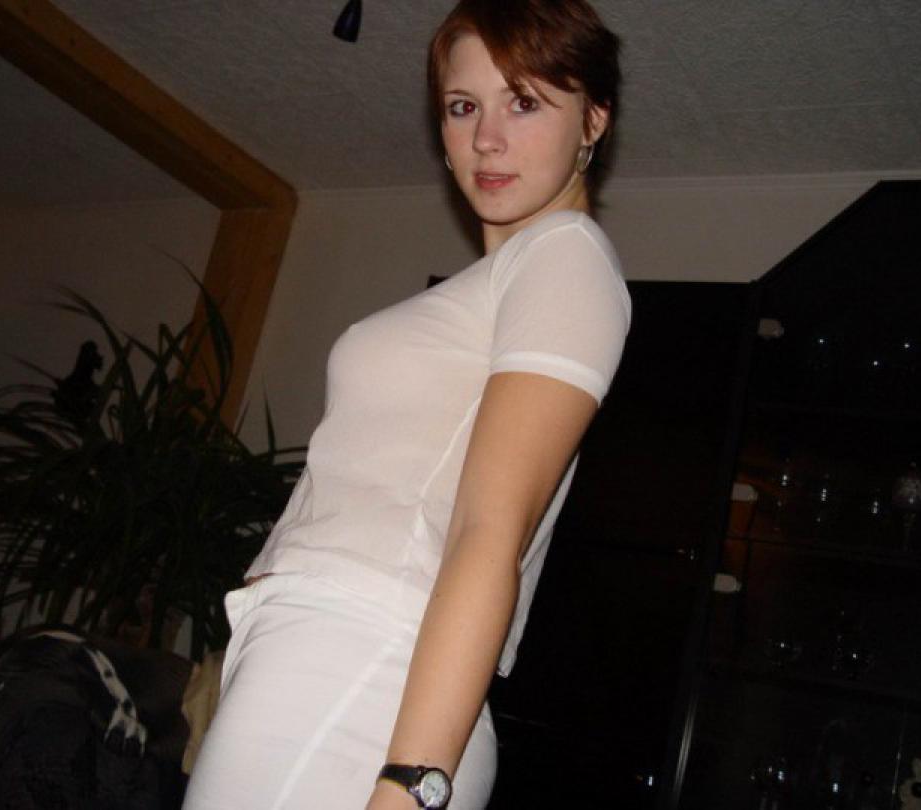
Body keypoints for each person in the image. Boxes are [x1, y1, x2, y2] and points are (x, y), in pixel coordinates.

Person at [183, 1, 629, 808]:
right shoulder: (506, 277)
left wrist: (409, 783)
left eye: (524, 102)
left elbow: (489, 531)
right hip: (331, 659)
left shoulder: (565, 256)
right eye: (463, 107)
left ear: (593, 119)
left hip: (364, 663)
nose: (485, 138)